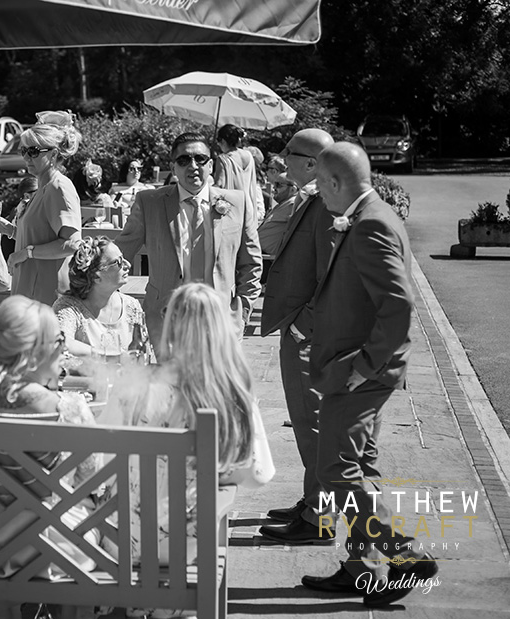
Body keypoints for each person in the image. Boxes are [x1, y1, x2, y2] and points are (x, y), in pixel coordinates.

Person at [300, 142, 436, 607]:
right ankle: (363, 568)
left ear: (336, 182)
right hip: (357, 367)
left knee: (335, 469)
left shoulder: (371, 223)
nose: (318, 193)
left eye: (320, 185)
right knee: (351, 467)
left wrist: (362, 367)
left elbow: (398, 305)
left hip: (360, 371)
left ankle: (405, 555)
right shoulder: (370, 214)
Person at [102, 283, 273, 615]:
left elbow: (102, 459)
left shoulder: (133, 386)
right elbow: (258, 475)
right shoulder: (231, 395)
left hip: (121, 541)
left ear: (171, 328)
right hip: (184, 548)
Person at [0, 296, 100, 589]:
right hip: (61, 547)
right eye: (60, 341)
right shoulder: (70, 408)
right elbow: (93, 479)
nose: (65, 350)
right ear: (37, 352)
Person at [257, 129, 336, 546]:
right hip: (302, 327)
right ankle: (311, 501)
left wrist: (305, 324)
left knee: (313, 422)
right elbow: (265, 237)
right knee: (307, 421)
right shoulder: (309, 197)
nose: (282, 158)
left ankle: (319, 517)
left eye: (290, 153)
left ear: (311, 163)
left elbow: (333, 274)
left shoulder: (326, 203)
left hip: (310, 332)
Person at [115, 132, 262, 351]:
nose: (193, 166)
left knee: (216, 375)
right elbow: (119, 254)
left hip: (221, 320)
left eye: (200, 159)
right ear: (173, 168)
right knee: (170, 375)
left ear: (210, 165)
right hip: (166, 320)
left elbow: (252, 264)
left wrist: (242, 313)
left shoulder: (237, 202)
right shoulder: (150, 202)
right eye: (184, 160)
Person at [0, 111, 83, 306]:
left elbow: (72, 244)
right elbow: (42, 235)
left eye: (33, 151)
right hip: (30, 290)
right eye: (24, 150)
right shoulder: (43, 186)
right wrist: (10, 230)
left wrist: (26, 253)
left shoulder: (59, 187)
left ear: (54, 154)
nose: (26, 157)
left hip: (46, 295)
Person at [52, 237, 152, 366]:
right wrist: (109, 357)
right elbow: (60, 343)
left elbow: (143, 355)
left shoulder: (132, 305)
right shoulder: (68, 307)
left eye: (123, 258)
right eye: (118, 262)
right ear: (96, 276)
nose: (128, 265)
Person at [214, 124, 265, 223]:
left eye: (219, 142)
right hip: (250, 208)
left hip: (232, 210)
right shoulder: (249, 155)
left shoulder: (223, 159)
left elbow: (219, 185)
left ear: (223, 141)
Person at [0, 176, 38, 261]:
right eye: (38, 192)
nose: (43, 194)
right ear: (27, 196)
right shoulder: (23, 212)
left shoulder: (22, 210)